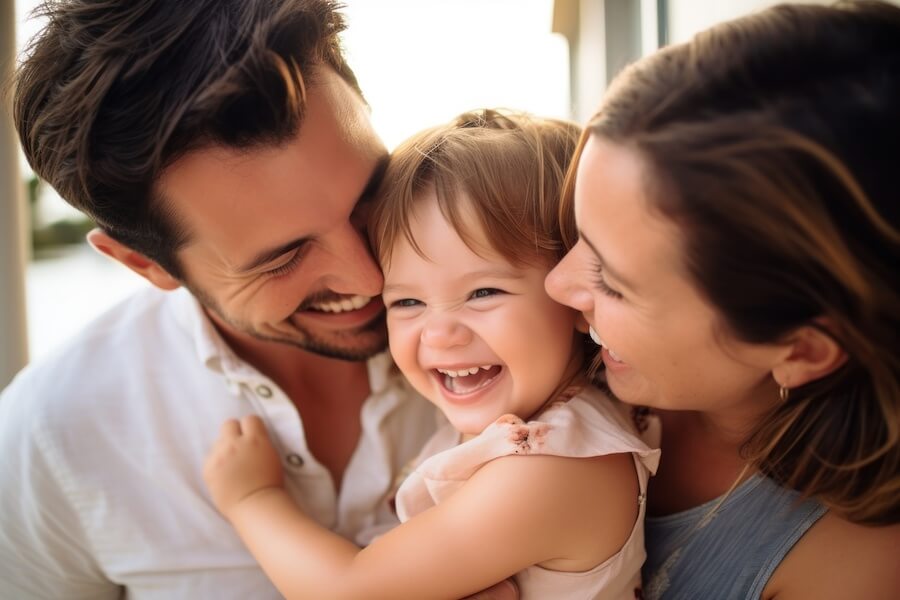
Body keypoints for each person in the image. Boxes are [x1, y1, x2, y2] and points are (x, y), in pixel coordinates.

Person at [0, 1, 453, 598]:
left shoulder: (540, 325)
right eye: (284, 257)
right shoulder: (50, 437)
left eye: (371, 193)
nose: (372, 277)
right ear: (145, 265)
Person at [203, 109, 660, 600]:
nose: (439, 334)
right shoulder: (517, 424)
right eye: (407, 302)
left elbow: (349, 591)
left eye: (484, 292)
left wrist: (253, 498)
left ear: (574, 292)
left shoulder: (557, 468)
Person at [544, 1, 900, 599]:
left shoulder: (851, 567)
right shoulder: (566, 360)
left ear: (802, 349)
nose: (556, 285)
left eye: (612, 280)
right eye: (576, 233)